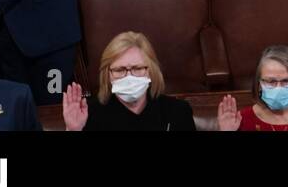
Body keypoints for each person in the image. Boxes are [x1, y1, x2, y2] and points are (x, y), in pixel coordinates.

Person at [62, 31, 196, 131]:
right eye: (120, 70)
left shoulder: (177, 112)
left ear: (150, 71)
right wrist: (73, 130)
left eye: (137, 68)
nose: (129, 77)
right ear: (108, 75)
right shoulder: (89, 115)